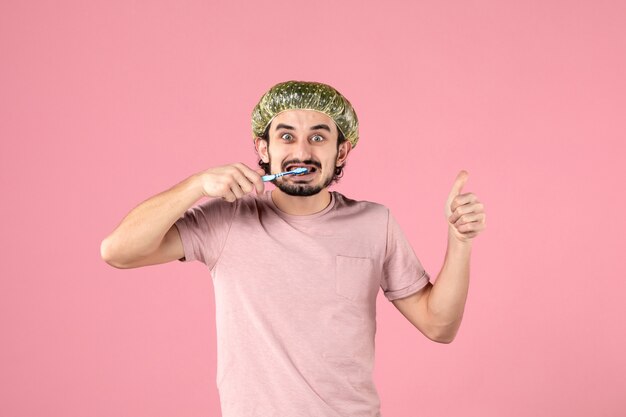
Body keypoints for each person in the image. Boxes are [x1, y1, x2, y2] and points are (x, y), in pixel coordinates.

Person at [100, 80, 486, 417]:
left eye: (318, 137)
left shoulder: (375, 223)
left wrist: (460, 242)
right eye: (286, 136)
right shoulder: (227, 220)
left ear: (342, 152)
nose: (302, 151)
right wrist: (195, 186)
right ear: (262, 148)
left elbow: (439, 326)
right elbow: (118, 251)